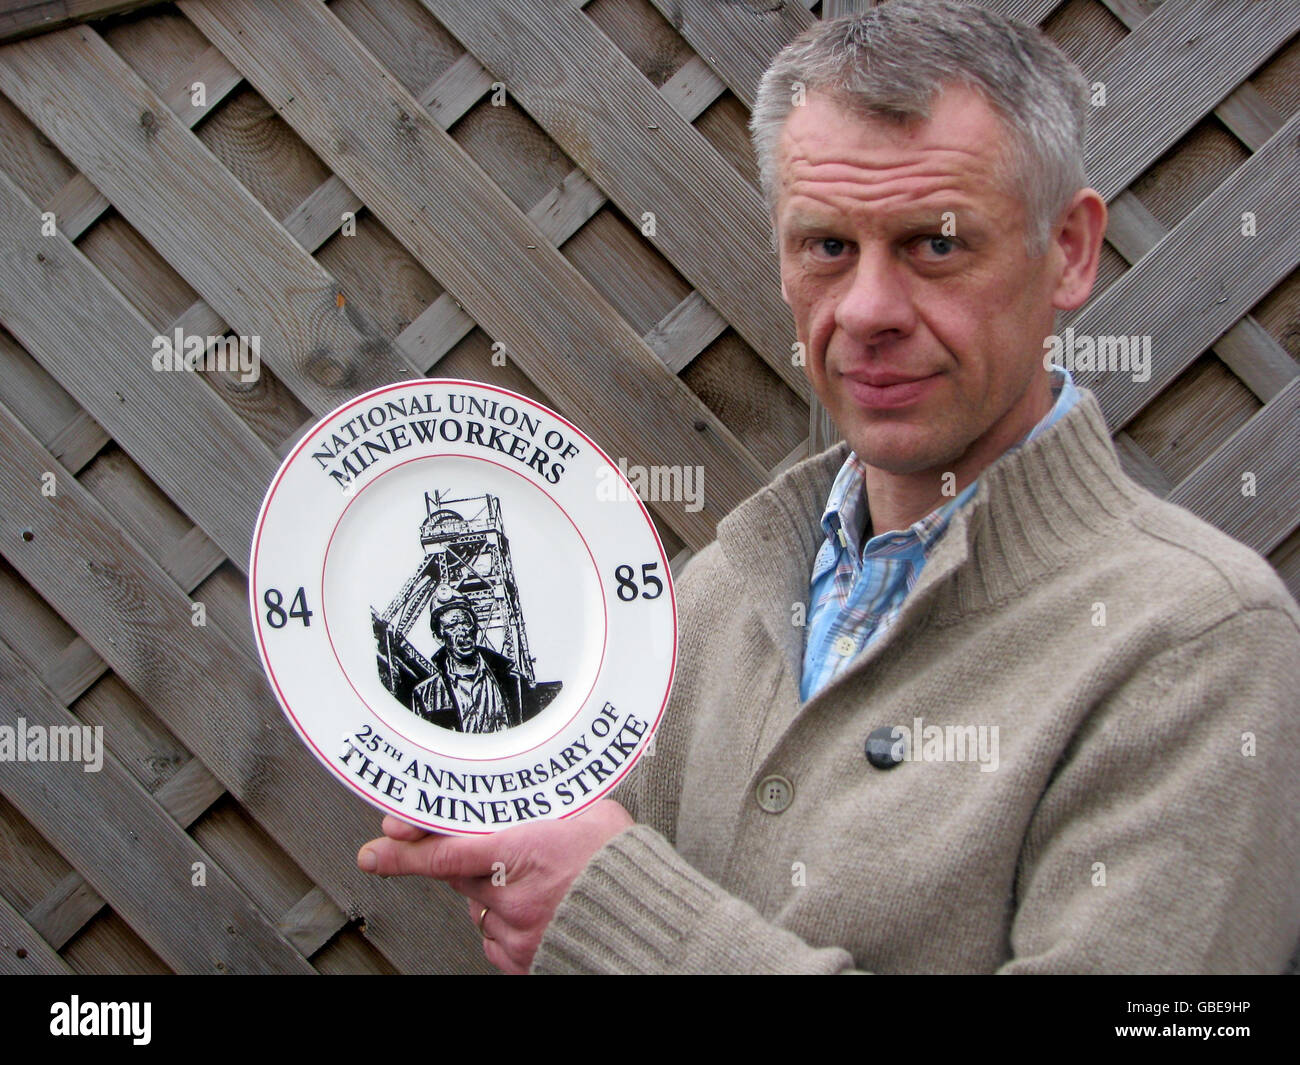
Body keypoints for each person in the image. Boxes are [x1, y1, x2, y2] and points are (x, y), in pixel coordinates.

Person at [357, 0, 1300, 973]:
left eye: (935, 245)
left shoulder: (1200, 642)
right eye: (827, 247)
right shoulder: (713, 596)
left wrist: (619, 921)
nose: (869, 311)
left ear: (1068, 249)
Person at [412, 599, 538, 733]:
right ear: (438, 637)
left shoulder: (514, 682)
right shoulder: (424, 694)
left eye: (466, 623)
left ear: (476, 629)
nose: (462, 632)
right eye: (452, 626)